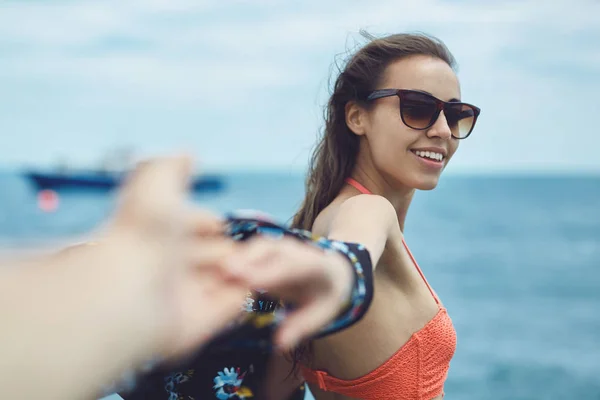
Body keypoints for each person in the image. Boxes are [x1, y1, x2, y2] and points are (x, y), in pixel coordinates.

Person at [242, 31, 481, 399]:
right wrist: (335, 273)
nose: (442, 131)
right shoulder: (367, 210)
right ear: (356, 117)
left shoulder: (312, 226)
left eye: (456, 115)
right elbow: (350, 253)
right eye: (417, 108)